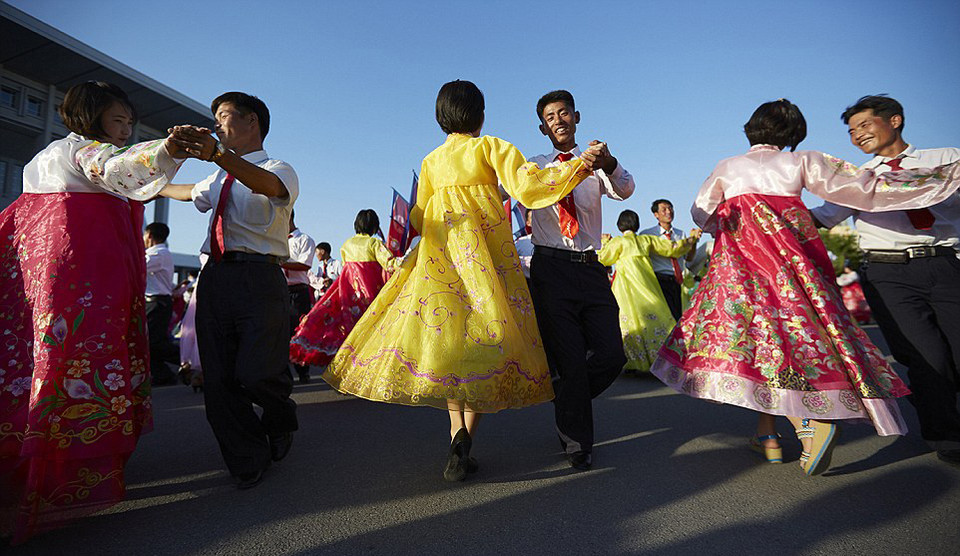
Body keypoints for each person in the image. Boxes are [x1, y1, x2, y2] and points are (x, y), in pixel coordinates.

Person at [650, 99, 960, 476]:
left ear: (751, 129)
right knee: (795, 342)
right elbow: (864, 188)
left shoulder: (727, 167)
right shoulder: (802, 161)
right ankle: (784, 430)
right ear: (794, 134)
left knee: (757, 348)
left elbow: (703, 212)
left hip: (744, 271)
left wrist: (739, 222)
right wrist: (939, 179)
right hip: (793, 270)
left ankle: (791, 428)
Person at [322, 80, 598, 482]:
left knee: (451, 345)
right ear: (480, 115)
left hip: (442, 261)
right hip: (487, 259)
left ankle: (457, 437)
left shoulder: (432, 160)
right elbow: (529, 188)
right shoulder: (491, 148)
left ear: (441, 117)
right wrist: (579, 165)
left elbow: (418, 217)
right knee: (490, 344)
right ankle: (467, 434)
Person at [0, 81, 186, 544]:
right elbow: (122, 169)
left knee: (36, 360)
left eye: (128, 122)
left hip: (43, 280)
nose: (124, 129)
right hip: (81, 279)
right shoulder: (86, 154)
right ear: (91, 116)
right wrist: (169, 147)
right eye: (119, 120)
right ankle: (63, 468)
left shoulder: (41, 159)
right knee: (78, 361)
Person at [811, 95, 960, 467]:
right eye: (851, 131)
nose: (857, 135)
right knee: (927, 356)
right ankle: (945, 433)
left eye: (864, 125)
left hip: (945, 264)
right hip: (887, 273)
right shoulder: (857, 180)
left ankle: (934, 401)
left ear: (894, 120)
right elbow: (820, 218)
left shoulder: (948, 160)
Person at [160, 92, 299, 489]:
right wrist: (149, 183)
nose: (217, 124)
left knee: (258, 372)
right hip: (217, 278)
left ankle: (279, 417)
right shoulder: (215, 175)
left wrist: (219, 155)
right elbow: (188, 193)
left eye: (224, 116)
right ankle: (247, 457)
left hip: (261, 278)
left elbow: (269, 187)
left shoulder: (278, 167)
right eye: (215, 118)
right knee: (219, 378)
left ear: (251, 121)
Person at [527, 89, 635, 470]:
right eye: (550, 116)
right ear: (542, 127)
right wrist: (574, 168)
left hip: (590, 268)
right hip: (550, 269)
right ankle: (578, 442)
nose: (558, 119)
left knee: (611, 354)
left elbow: (625, 190)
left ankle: (564, 397)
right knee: (570, 359)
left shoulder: (595, 165)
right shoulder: (534, 166)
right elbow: (527, 192)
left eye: (564, 113)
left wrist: (608, 162)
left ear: (576, 117)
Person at [291, 209, 396, 368]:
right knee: (372, 334)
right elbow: (390, 265)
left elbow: (348, 272)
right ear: (374, 227)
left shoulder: (347, 245)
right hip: (372, 296)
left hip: (350, 297)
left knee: (350, 333)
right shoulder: (375, 243)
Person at [598, 210, 699, 373]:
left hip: (625, 288)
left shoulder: (617, 243)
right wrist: (691, 240)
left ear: (620, 225)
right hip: (646, 284)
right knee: (658, 318)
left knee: (627, 322)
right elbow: (672, 248)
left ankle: (633, 362)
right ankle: (665, 359)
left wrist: (604, 242)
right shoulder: (645, 240)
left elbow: (603, 258)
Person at [641, 199, 698, 321]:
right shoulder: (648, 235)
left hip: (677, 282)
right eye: (664, 209)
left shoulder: (680, 234)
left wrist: (693, 242)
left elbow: (689, 258)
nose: (669, 212)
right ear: (656, 215)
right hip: (659, 280)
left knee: (678, 317)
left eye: (670, 208)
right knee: (663, 318)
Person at [144, 221, 179, 386]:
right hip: (156, 302)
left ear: (149, 235)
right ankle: (162, 374)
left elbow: (138, 266)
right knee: (152, 342)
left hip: (157, 303)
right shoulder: (161, 253)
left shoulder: (158, 253)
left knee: (154, 342)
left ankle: (188, 359)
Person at [284, 211, 316, 384]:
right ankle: (283, 371)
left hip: (297, 291)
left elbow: (304, 265)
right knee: (278, 331)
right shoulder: (275, 239)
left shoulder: (304, 239)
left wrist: (279, 261)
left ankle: (303, 369)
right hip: (279, 290)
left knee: (298, 331)